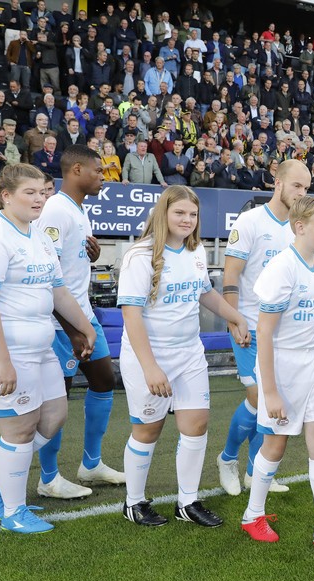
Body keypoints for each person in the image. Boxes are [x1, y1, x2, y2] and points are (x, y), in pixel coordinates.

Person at [0, 163, 96, 534]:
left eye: (43, 192)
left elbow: (58, 291)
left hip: (39, 343)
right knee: (19, 429)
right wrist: (2, 362)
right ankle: (13, 511)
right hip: (2, 347)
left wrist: (84, 327)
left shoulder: (38, 235)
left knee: (53, 417)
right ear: (6, 196)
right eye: (29, 193)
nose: (39, 199)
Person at [117, 186, 250, 527]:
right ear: (163, 213)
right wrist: (150, 367)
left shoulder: (196, 250)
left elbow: (205, 292)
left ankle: (187, 503)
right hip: (150, 356)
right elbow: (131, 315)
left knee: (196, 425)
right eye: (179, 213)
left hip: (190, 353)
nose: (187, 220)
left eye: (192, 214)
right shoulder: (139, 255)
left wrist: (235, 317)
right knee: (148, 429)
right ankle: (134, 502)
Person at [240, 196, 314, 555]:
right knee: (275, 444)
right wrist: (270, 392)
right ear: (300, 227)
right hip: (283, 366)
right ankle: (252, 515)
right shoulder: (281, 268)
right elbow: (264, 332)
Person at [35, 146, 126, 500]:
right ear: (76, 170)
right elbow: (48, 277)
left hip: (82, 315)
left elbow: (69, 265)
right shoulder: (56, 210)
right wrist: (73, 330)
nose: (103, 177)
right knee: (56, 399)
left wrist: (93, 256)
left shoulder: (78, 209)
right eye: (98, 171)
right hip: (62, 325)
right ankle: (48, 478)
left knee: (104, 381)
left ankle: (91, 463)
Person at [216, 160, 311, 496]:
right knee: (258, 398)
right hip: (251, 325)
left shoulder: (300, 229)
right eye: (297, 185)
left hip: (285, 331)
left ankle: (255, 473)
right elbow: (231, 274)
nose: (302, 193)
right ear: (277, 182)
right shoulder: (251, 221)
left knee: (274, 404)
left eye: (306, 188)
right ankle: (227, 459)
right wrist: (233, 319)